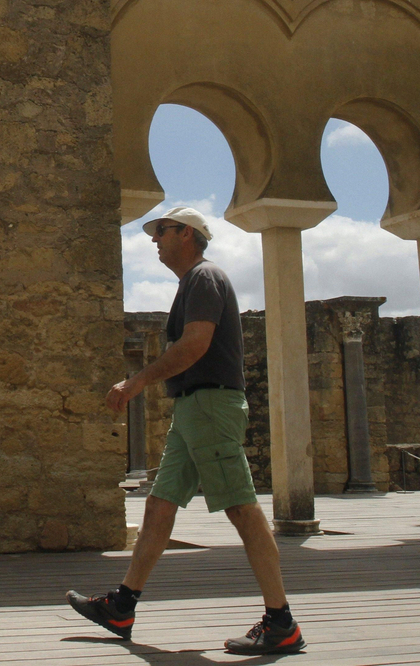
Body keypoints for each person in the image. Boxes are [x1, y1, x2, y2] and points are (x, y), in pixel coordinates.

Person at [66, 206, 304, 655]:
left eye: (162, 230)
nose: (155, 237)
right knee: (160, 505)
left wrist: (137, 381)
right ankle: (122, 605)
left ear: (188, 234)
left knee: (242, 509)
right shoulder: (192, 283)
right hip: (195, 409)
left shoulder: (203, 278)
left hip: (211, 406)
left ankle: (282, 623)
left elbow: (196, 343)